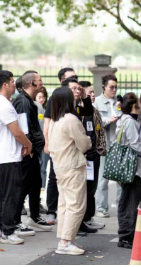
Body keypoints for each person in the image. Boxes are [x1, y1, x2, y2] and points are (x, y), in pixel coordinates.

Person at [47, 86, 92, 256]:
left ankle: (64, 239)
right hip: (72, 165)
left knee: (65, 204)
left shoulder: (54, 120)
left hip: (59, 165)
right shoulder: (71, 119)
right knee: (76, 205)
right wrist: (88, 140)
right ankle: (66, 241)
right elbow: (84, 144)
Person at [0, 70, 33, 245]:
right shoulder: (4, 104)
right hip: (8, 156)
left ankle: (2, 230)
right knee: (10, 195)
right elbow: (16, 131)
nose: (15, 84)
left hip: (5, 155)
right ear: (5, 84)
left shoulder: (1, 102)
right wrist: (28, 144)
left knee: (4, 195)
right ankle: (7, 231)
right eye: (13, 81)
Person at [12, 71, 53, 232]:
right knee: (23, 186)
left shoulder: (29, 101)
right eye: (39, 80)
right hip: (27, 151)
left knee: (35, 183)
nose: (41, 82)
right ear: (32, 83)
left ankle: (34, 216)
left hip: (33, 150)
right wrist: (27, 146)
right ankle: (15, 221)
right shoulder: (23, 101)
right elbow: (23, 128)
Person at [42, 67, 78, 224]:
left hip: (75, 147)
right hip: (59, 144)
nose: (75, 81)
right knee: (54, 176)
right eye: (70, 78)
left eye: (76, 77)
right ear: (62, 81)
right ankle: (51, 211)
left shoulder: (79, 98)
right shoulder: (55, 99)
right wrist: (47, 142)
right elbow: (47, 121)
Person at [74, 79, 106, 234]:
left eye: (93, 92)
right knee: (83, 189)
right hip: (83, 155)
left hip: (94, 154)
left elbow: (100, 132)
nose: (92, 95)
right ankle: (81, 219)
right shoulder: (78, 111)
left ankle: (89, 217)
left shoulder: (94, 111)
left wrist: (100, 149)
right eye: (90, 92)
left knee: (92, 187)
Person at [115, 92, 141, 249]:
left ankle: (127, 234)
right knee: (130, 201)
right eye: (139, 103)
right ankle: (126, 235)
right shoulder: (129, 122)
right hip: (132, 168)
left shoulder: (129, 119)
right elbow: (135, 143)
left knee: (130, 199)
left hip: (131, 167)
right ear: (135, 105)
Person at [93, 73, 120, 218]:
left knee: (121, 177)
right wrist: (108, 120)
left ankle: (122, 206)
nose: (114, 90)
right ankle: (101, 207)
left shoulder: (119, 102)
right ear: (104, 87)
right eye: (111, 87)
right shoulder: (97, 102)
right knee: (103, 178)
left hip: (119, 144)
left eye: (116, 87)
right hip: (104, 144)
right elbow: (94, 123)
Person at [36, 87, 50, 190]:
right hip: (37, 142)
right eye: (39, 97)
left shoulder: (47, 110)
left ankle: (42, 187)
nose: (41, 99)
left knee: (44, 167)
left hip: (46, 141)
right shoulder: (33, 109)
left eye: (43, 97)